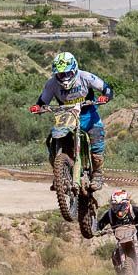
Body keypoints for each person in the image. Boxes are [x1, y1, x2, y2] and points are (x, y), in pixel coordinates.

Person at [30, 52, 113, 190]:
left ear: (74, 69)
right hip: (66, 117)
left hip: (88, 114)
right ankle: (59, 174)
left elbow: (107, 88)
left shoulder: (85, 77)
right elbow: (42, 101)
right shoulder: (52, 84)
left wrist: (105, 97)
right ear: (55, 74)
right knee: (53, 140)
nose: (65, 77)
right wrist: (37, 107)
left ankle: (97, 174)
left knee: (97, 146)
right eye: (61, 74)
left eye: (68, 73)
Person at [95, 189, 138, 275]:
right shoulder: (109, 214)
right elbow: (100, 224)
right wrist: (98, 230)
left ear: (127, 204)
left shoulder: (133, 210)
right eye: (115, 206)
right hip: (121, 240)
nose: (119, 210)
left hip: (137, 236)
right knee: (115, 256)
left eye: (121, 206)